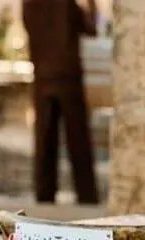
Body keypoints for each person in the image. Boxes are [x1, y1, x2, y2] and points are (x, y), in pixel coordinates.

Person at [23, 0, 99, 204]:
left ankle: (44, 193)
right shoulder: (68, 5)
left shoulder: (29, 4)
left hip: (43, 77)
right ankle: (86, 194)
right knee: (78, 138)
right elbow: (91, 29)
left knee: (44, 139)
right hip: (68, 76)